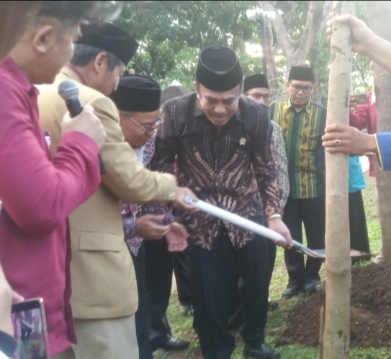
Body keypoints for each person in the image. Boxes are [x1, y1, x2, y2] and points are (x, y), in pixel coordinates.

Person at [38, 23, 196, 359]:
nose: (116, 84)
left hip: (42, 273)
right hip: (92, 278)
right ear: (99, 63)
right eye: (118, 73)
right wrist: (173, 188)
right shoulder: (90, 102)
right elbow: (129, 180)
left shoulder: (32, 92)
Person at [150, 45, 292, 359]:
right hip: (200, 219)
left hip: (247, 213)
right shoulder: (176, 112)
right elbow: (160, 164)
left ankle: (254, 341)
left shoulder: (256, 113)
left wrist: (273, 215)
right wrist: (172, 195)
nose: (219, 109)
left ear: (239, 92)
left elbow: (266, 168)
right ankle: (216, 350)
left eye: (228, 101)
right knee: (207, 296)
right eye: (210, 100)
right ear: (197, 89)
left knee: (257, 285)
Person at [0, 2, 107, 358]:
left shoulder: (18, 91)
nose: (71, 52)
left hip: (25, 306)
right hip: (15, 315)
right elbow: (42, 205)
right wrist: (80, 143)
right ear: (44, 37)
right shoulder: (3, 92)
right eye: (73, 39)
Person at [109, 75, 190, 358]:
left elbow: (150, 189)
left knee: (143, 305)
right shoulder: (98, 148)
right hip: (107, 247)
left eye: (157, 124)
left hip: (139, 240)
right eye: (145, 125)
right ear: (117, 116)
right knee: (122, 317)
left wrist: (167, 222)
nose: (151, 132)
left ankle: (151, 340)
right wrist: (133, 227)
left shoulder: (151, 142)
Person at [323, 14, 391, 170]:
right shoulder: (368, 97)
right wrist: (369, 44)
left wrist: (371, 142)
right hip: (384, 158)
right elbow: (358, 121)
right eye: (371, 68)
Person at [271, 66, 326, 298]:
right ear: (287, 86)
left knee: (315, 234)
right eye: (296, 87)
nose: (301, 92)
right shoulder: (273, 110)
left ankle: (312, 276)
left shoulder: (322, 113)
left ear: (313, 89)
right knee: (290, 235)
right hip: (285, 190)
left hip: (313, 185)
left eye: (306, 88)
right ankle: (294, 279)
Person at [244, 74, 290, 311]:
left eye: (265, 96)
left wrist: (279, 204)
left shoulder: (273, 128)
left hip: (268, 208)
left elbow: (281, 167)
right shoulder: (233, 124)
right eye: (255, 96)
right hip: (239, 208)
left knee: (265, 258)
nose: (261, 101)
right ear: (243, 97)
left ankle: (260, 299)